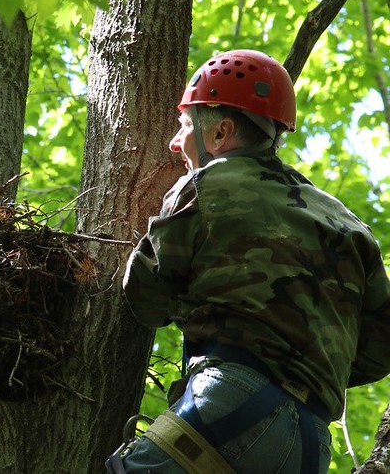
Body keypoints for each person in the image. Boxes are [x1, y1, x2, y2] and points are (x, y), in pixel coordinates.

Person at [107, 49, 390, 473]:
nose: (174, 142)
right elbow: (379, 350)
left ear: (220, 133)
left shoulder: (208, 183)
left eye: (185, 125)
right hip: (310, 445)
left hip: (228, 405)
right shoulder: (347, 223)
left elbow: (146, 298)